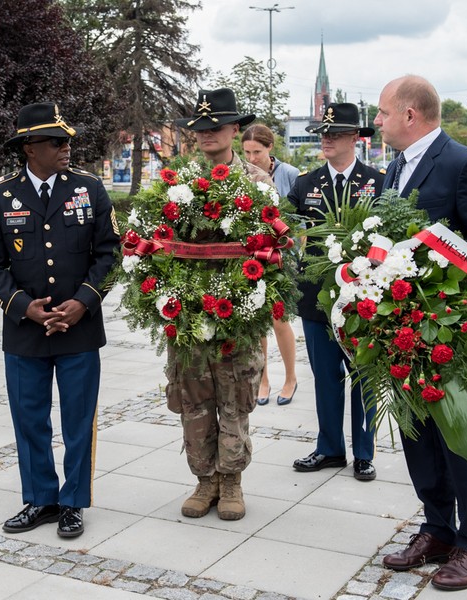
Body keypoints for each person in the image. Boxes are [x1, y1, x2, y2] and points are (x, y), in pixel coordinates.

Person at [373, 75, 467, 591]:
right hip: (401, 329)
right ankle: (436, 528)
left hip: (453, 330)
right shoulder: (394, 168)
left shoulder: (463, 163)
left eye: (384, 112)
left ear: (410, 114)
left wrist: (441, 291)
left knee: (460, 438)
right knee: (418, 436)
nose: (378, 121)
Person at [0, 102, 119, 539]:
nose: (66, 147)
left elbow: (109, 254)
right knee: (30, 419)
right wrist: (23, 306)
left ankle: (73, 502)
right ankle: (41, 498)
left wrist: (83, 302)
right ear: (29, 148)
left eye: (67, 140)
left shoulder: (89, 188)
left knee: (78, 420)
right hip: (25, 332)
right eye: (56, 141)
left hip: (80, 327)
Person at [167, 88, 272, 521]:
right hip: (189, 310)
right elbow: (161, 243)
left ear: (234, 129)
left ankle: (231, 480)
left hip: (237, 309)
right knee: (192, 392)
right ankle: (204, 478)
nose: (209, 134)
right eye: (201, 128)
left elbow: (274, 245)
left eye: (217, 126)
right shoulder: (178, 181)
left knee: (235, 391)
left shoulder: (256, 181)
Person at [287, 102, 382, 482]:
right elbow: (282, 224)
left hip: (362, 299)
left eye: (335, 133)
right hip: (315, 299)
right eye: (323, 133)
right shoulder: (306, 184)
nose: (325, 139)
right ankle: (329, 448)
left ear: (355, 138)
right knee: (326, 376)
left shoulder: (377, 181)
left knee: (362, 376)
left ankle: (363, 452)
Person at [241, 124, 299, 406]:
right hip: (251, 256)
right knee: (257, 321)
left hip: (281, 256)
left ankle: (290, 378)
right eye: (247, 152)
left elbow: (297, 218)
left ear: (270, 149)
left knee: (279, 319)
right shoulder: (242, 173)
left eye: (257, 152)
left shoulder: (288, 175)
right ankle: (263, 378)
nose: (252, 158)